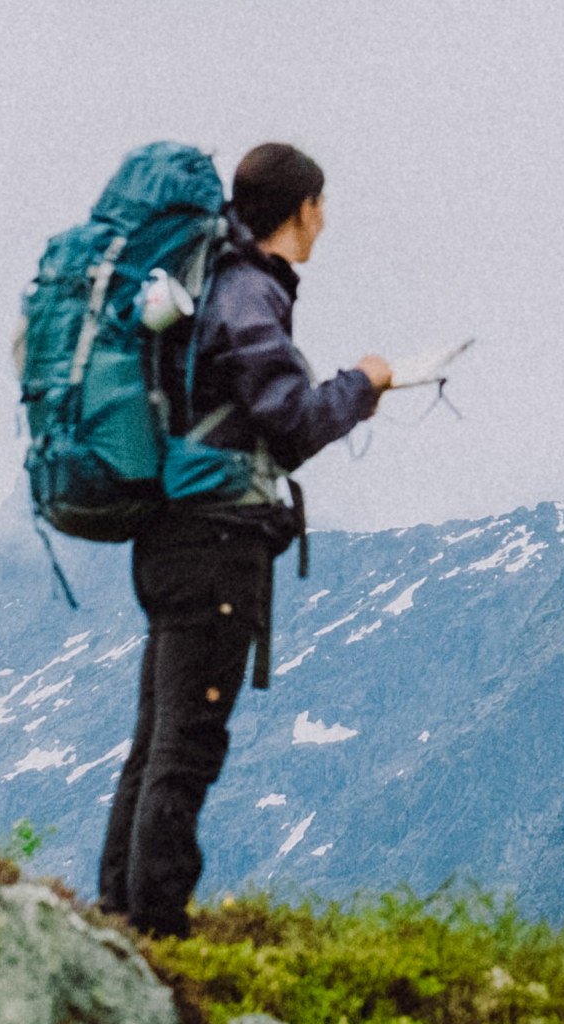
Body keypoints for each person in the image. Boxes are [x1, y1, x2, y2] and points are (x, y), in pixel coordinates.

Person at [94, 137, 394, 937]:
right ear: (303, 210)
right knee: (188, 744)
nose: (324, 221)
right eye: (321, 207)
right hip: (217, 543)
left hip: (169, 537)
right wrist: (363, 384)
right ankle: (156, 927)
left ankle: (119, 913)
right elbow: (291, 422)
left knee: (157, 737)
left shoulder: (206, 283)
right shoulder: (249, 291)